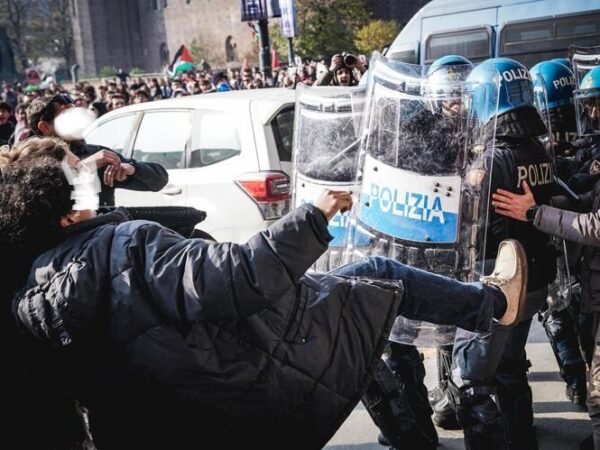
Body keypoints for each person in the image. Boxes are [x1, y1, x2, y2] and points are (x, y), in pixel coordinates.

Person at [3, 138, 528, 450]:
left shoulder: (31, 296)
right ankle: (493, 304)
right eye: (80, 177)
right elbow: (238, 276)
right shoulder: (125, 244)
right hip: (244, 376)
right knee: (375, 277)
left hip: (176, 418)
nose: (92, 178)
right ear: (68, 211)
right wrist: (313, 216)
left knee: (360, 319)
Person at [492, 65, 600, 450]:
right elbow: (585, 201)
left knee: (597, 395)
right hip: (575, 277)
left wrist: (535, 213)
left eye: (597, 106)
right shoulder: (546, 149)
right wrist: (542, 203)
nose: (592, 116)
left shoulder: (496, 158)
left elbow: (594, 225)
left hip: (557, 275)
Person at [529, 59, 587, 405]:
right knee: (573, 308)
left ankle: (577, 380)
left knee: (557, 309)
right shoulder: (584, 136)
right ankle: (581, 380)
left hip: (555, 227)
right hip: (575, 229)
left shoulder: (537, 143)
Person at [27, 94, 168, 206]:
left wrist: (130, 169)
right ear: (45, 127)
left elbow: (159, 180)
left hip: (100, 237)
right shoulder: (25, 160)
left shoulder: (97, 154)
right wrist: (84, 167)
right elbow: (40, 194)